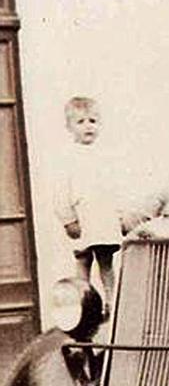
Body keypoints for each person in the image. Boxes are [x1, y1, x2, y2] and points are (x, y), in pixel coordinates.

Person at [53, 97, 122, 312]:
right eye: (80, 122)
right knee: (83, 260)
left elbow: (112, 187)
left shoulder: (105, 155)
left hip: (102, 216)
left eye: (92, 121)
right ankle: (83, 303)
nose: (88, 126)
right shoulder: (67, 157)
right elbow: (61, 192)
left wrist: (118, 215)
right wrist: (68, 220)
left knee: (106, 261)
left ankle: (113, 302)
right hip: (82, 217)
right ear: (69, 127)